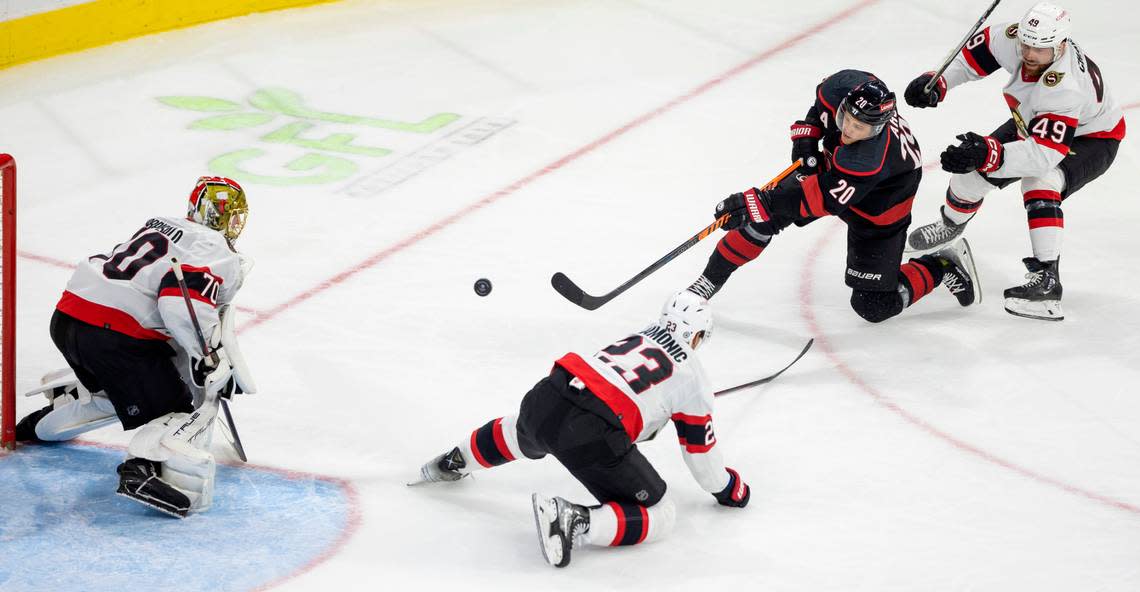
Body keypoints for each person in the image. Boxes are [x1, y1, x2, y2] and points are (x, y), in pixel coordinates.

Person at [413, 291, 749, 568]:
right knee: (660, 512)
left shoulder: (637, 336)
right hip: (591, 429)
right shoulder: (693, 378)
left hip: (550, 392)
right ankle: (575, 520)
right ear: (698, 336)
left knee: (523, 431)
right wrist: (730, 488)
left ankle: (454, 461)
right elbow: (701, 457)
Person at [14, 176, 255, 518]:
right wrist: (209, 357)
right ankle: (142, 468)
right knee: (174, 409)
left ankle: (42, 423)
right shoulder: (215, 250)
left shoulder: (163, 226)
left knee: (123, 392)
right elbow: (179, 304)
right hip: (113, 338)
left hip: (68, 318)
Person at [686, 70, 979, 322]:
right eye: (847, 118)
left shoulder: (867, 159)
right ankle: (704, 286)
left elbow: (821, 200)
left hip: (882, 204)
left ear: (876, 128)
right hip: (835, 173)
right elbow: (819, 108)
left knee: (872, 305)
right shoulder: (843, 86)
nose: (849, 130)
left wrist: (759, 201)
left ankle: (942, 265)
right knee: (761, 221)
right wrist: (807, 138)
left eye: (859, 127)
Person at [903, 2, 1125, 321]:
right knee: (968, 178)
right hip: (1035, 120)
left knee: (1041, 181)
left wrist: (989, 152)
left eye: (1040, 48)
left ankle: (1047, 280)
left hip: (1092, 138)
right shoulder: (1016, 40)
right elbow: (972, 57)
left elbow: (1042, 156)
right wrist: (937, 82)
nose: (1030, 53)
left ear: (1060, 45)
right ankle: (951, 226)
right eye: (1026, 44)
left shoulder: (1065, 87)